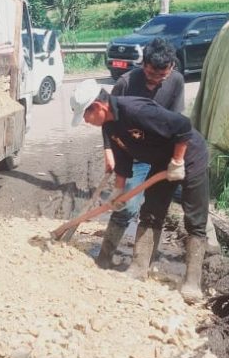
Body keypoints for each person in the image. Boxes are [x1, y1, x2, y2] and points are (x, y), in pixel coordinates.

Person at [71, 78, 209, 302]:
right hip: (161, 160)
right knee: (151, 212)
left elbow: (183, 126)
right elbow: (123, 159)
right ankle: (138, 268)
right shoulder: (110, 124)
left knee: (195, 217)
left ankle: (192, 281)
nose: (86, 121)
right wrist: (118, 191)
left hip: (189, 155)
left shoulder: (136, 110)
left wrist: (177, 161)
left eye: (86, 116)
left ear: (98, 107)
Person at [97, 38, 186, 268]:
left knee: (184, 199)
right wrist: (109, 151)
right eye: (150, 74)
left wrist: (175, 160)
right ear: (143, 64)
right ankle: (104, 258)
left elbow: (177, 123)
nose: (155, 80)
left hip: (162, 154)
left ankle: (207, 249)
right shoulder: (126, 83)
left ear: (171, 68)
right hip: (133, 155)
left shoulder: (176, 81)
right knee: (125, 204)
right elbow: (108, 122)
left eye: (161, 76)